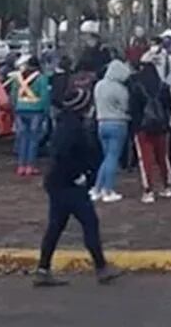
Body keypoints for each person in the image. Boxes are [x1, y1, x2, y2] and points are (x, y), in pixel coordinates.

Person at [33, 88, 122, 288]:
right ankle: (101, 268)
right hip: (69, 184)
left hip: (58, 182)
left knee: (56, 226)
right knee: (89, 223)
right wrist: (79, 175)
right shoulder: (72, 127)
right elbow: (64, 153)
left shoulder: (66, 122)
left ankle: (43, 269)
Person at [129, 53, 171, 204]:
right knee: (162, 157)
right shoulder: (162, 86)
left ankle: (148, 190)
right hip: (161, 127)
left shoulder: (136, 86)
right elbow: (169, 105)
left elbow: (132, 108)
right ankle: (166, 186)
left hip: (143, 127)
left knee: (146, 159)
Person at [91, 60, 132, 203]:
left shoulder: (99, 85)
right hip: (118, 123)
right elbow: (126, 106)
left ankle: (97, 188)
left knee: (106, 157)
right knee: (113, 158)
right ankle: (108, 190)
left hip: (101, 122)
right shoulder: (120, 89)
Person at [11, 56, 51, 176]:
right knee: (33, 139)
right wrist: (46, 111)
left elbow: (13, 95)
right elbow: (45, 96)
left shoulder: (17, 78)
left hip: (20, 110)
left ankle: (21, 165)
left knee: (23, 138)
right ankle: (30, 166)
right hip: (36, 110)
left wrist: (15, 108)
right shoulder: (42, 78)